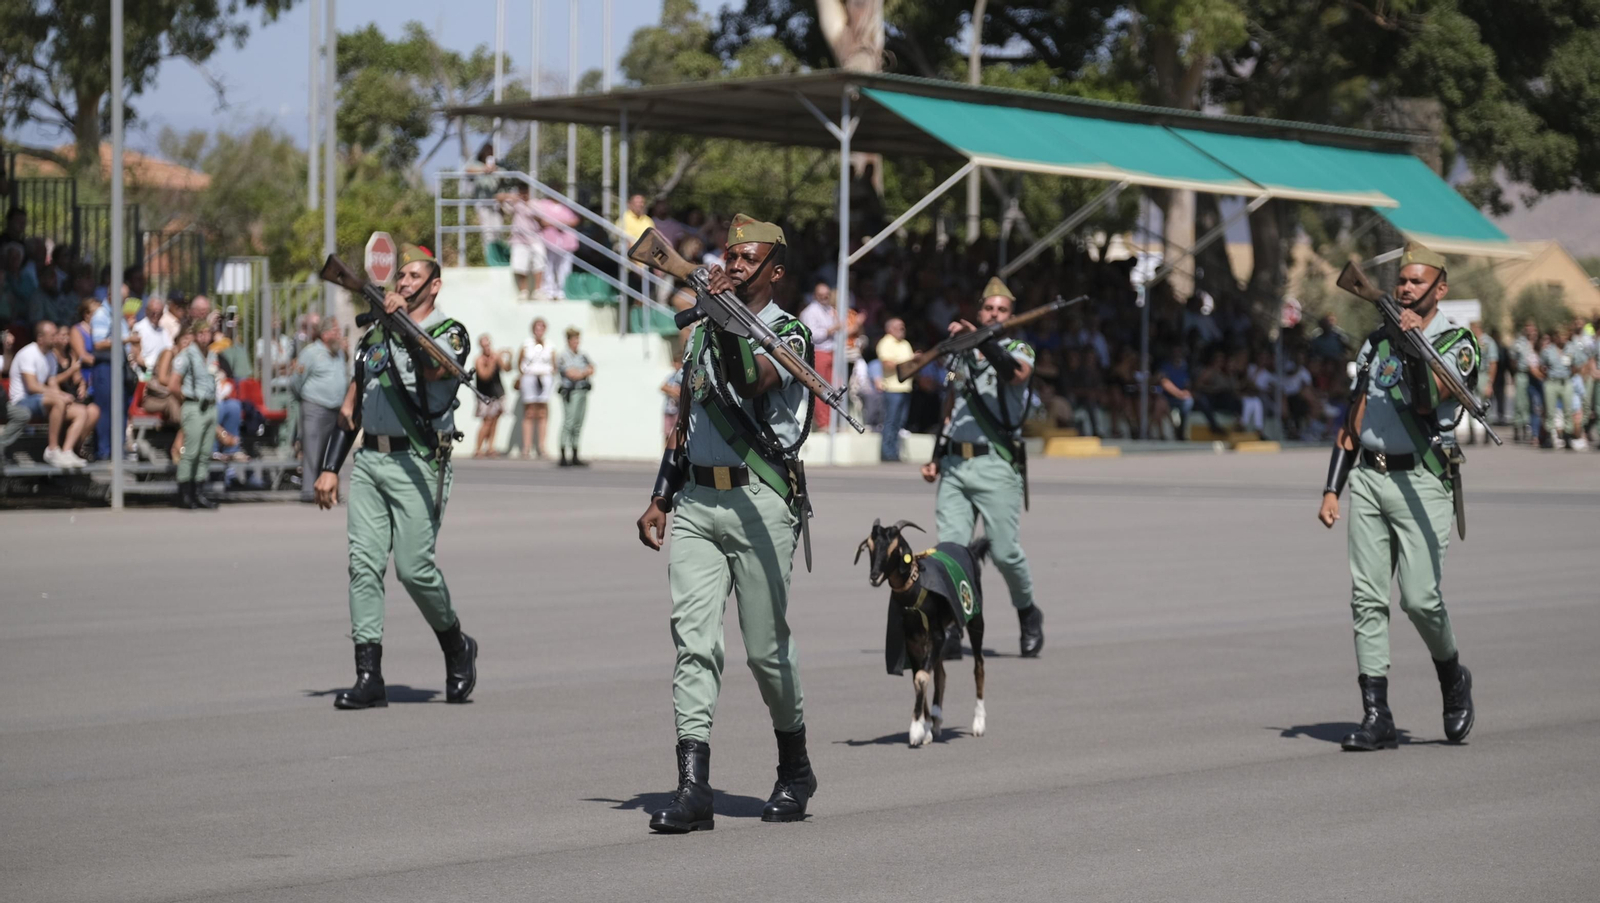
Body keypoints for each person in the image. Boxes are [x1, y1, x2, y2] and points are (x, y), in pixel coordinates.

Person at [635, 214, 818, 833]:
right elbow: (684, 421)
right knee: (694, 643)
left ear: (775, 271)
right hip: (696, 504)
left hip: (761, 502)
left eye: (748, 259)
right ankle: (694, 788)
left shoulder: (790, 335)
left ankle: (795, 769)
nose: (734, 265)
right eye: (730, 256)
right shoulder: (707, 335)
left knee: (767, 652)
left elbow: (748, 379)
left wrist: (723, 317)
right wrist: (661, 495)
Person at [1316, 242, 1476, 751]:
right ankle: (1376, 713)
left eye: (1416, 281)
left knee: (1420, 598)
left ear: (1440, 287)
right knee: (1367, 598)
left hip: (1423, 478)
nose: (1406, 288)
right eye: (1401, 280)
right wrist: (1332, 487)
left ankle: (1452, 676)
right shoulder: (1376, 342)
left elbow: (1429, 401)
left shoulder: (1458, 342)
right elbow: (1355, 416)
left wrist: (1410, 345)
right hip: (1369, 477)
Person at [313, 243, 477, 710]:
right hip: (370, 462)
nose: (402, 282)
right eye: (399, 276)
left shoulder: (450, 333)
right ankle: (369, 676)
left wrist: (401, 325)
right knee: (363, 566)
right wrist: (330, 467)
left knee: (413, 568)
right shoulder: (375, 337)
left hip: (421, 461)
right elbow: (350, 410)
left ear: (434, 284)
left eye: (412, 276)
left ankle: (456, 645)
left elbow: (432, 370)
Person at [920, 276, 1044, 658]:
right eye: (988, 309)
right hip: (956, 464)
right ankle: (955, 624)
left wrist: (981, 339)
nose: (994, 314)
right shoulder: (960, 355)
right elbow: (952, 404)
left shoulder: (1018, 348)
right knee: (951, 551)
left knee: (1006, 553)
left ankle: (1028, 613)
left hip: (995, 464)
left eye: (1001, 310)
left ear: (1011, 316)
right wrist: (937, 455)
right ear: (978, 311)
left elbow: (1014, 374)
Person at [6, 322, 92, 467]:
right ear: (40, 337)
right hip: (22, 402)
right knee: (58, 401)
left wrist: (63, 395)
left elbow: (52, 384)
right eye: (52, 335)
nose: (56, 338)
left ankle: (66, 452)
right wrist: (59, 396)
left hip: (42, 401)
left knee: (81, 411)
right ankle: (52, 450)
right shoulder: (28, 353)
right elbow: (32, 386)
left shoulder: (50, 357)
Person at [292, 319, 350, 504]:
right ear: (324, 334)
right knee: (312, 451)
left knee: (331, 452)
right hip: (315, 407)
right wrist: (306, 399)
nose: (339, 334)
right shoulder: (311, 353)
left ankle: (329, 490)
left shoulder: (339, 353)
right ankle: (309, 491)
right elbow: (296, 380)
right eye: (335, 331)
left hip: (336, 409)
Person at [171, 319, 221, 509]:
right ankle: (185, 493)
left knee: (204, 452)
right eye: (200, 333)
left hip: (210, 406)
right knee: (190, 452)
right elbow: (173, 384)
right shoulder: (188, 355)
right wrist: (187, 400)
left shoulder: (212, 354)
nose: (204, 336)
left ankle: (199, 492)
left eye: (207, 333)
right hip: (194, 405)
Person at [799, 282, 839, 430]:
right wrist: (830, 330)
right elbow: (812, 335)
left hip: (832, 352)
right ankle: (823, 423)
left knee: (834, 387)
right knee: (820, 388)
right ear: (815, 295)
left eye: (826, 295)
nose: (824, 297)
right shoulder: (810, 312)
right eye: (821, 295)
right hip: (818, 352)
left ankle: (832, 421)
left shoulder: (830, 310)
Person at [498, 183, 546, 299]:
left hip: (535, 238)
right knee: (520, 266)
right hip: (518, 240)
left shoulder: (535, 203)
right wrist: (512, 197)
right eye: (521, 191)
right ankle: (523, 292)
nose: (524, 194)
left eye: (526, 191)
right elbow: (499, 198)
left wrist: (530, 208)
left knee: (539, 264)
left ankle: (537, 291)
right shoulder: (515, 203)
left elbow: (542, 220)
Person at [875, 317, 914, 461]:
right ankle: (887, 453)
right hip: (892, 388)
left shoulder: (905, 344)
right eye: (899, 327)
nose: (902, 329)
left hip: (905, 388)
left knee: (900, 422)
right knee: (890, 421)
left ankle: (895, 452)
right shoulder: (886, 342)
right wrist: (907, 363)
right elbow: (887, 364)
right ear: (889, 329)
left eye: (903, 327)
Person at [555, 326, 594, 467]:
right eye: (574, 339)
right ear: (568, 341)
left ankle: (575, 454)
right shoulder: (564, 356)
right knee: (569, 422)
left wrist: (581, 372)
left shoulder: (582, 355)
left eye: (578, 339)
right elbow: (571, 374)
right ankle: (563, 454)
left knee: (578, 423)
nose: (577, 342)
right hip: (571, 392)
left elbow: (592, 368)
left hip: (582, 390)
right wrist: (584, 372)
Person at [517, 317, 554, 459]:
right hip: (530, 377)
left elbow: (553, 363)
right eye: (537, 327)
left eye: (542, 327)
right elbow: (519, 362)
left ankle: (541, 446)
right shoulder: (526, 344)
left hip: (544, 377)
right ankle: (526, 447)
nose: (539, 330)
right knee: (529, 412)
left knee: (542, 412)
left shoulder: (550, 345)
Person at [472, 334, 510, 458]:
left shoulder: (495, 357)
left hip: (497, 393)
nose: (487, 348)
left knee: (495, 421)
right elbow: (485, 376)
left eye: (488, 345)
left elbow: (507, 369)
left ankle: (490, 447)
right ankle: (478, 448)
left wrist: (508, 357)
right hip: (485, 395)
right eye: (484, 346)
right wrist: (492, 363)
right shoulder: (479, 360)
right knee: (486, 421)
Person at [1539, 325, 1575, 449]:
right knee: (1550, 410)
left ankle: (1568, 436)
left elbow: (1579, 363)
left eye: (1564, 336)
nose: (1562, 339)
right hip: (1552, 381)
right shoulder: (1548, 350)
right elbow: (1541, 365)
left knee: (1568, 410)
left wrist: (1572, 373)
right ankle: (1549, 435)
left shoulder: (1571, 348)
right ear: (1556, 337)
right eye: (1560, 336)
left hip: (1565, 382)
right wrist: (1547, 374)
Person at [1510, 322, 1539, 444]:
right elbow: (1513, 359)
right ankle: (1518, 427)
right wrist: (1515, 374)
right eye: (1527, 327)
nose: (1530, 329)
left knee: (1531, 403)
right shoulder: (1519, 343)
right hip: (1522, 374)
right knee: (1520, 402)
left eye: (1532, 327)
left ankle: (1530, 428)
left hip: (1534, 376)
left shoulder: (1537, 342)